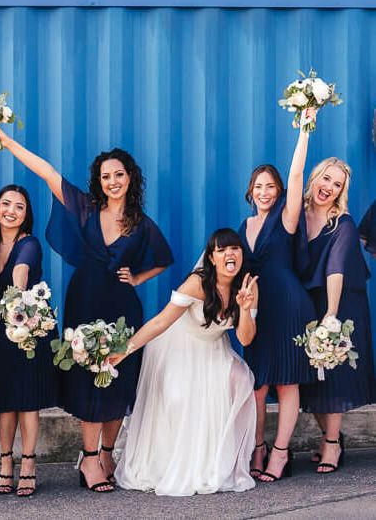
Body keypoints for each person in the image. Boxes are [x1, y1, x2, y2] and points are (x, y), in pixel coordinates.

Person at [0, 126, 173, 493]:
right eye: (106, 176)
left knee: (117, 378)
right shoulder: (86, 207)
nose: (113, 181)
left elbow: (165, 260)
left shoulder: (141, 223)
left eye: (119, 174)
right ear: (98, 181)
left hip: (122, 308)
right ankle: (88, 458)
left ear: (130, 177)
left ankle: (106, 454)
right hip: (84, 302)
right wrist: (6, 141)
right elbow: (47, 172)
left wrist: (137, 278)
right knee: (89, 375)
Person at [111, 228, 258, 496]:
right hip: (178, 344)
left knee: (242, 379)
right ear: (212, 258)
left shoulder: (248, 286)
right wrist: (125, 350)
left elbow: (245, 339)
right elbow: (160, 322)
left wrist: (245, 310)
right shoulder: (197, 283)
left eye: (234, 248)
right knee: (178, 397)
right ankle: (173, 461)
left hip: (214, 348)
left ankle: (226, 460)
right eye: (222, 250)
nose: (229, 254)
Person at [239, 111, 317, 483]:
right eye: (259, 186)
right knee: (256, 385)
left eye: (271, 186)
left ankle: (281, 452)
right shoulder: (245, 225)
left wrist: (304, 129)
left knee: (287, 382)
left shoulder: (285, 219)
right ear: (250, 191)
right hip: (257, 310)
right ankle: (258, 446)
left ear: (279, 190)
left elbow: (299, 175)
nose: (265, 191)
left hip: (287, 305)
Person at [0, 185, 58, 497]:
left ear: (26, 215)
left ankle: (28, 464)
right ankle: (5, 462)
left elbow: (20, 274)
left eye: (19, 206)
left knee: (26, 400)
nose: (11, 210)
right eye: (5, 203)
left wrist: (17, 300)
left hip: (27, 326)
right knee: (3, 400)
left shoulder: (30, 244)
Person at [300, 158, 376, 474]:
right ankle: (331, 437)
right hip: (308, 299)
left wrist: (331, 318)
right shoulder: (298, 216)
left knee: (333, 372)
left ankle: (331, 443)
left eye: (337, 185)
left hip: (341, 301)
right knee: (309, 378)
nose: (329, 188)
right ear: (315, 178)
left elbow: (335, 270)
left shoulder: (340, 222)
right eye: (326, 179)